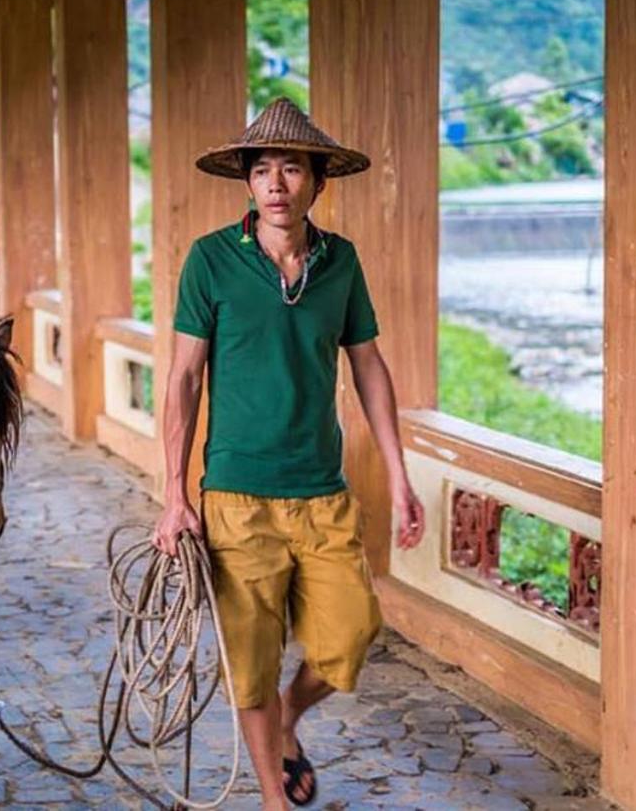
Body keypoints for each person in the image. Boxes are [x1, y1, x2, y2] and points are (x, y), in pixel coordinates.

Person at [151, 97, 426, 809]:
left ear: (318, 182)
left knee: (350, 635)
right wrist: (175, 496)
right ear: (248, 182)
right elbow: (182, 379)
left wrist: (400, 478)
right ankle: (276, 800)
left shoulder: (341, 263)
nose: (277, 183)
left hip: (321, 494)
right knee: (249, 663)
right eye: (263, 169)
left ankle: (290, 714)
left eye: (292, 168)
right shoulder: (211, 260)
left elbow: (368, 366)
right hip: (236, 498)